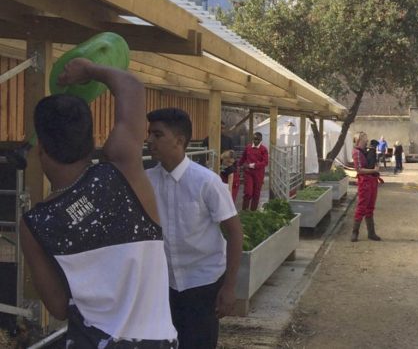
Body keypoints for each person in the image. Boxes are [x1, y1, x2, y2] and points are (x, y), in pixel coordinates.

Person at [19, 58, 178, 347]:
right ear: (92, 139)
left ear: (40, 147)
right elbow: (130, 86)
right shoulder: (123, 172)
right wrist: (90, 70)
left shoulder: (36, 223)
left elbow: (57, 306)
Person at [145, 108, 243, 349]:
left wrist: (229, 287)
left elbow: (235, 233)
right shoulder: (146, 181)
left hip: (203, 284)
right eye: (149, 134)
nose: (149, 141)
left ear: (179, 141)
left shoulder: (206, 182)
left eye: (157, 135)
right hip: (163, 285)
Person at [351, 132, 382, 242]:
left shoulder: (366, 151)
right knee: (362, 207)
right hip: (364, 182)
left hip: (372, 181)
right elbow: (359, 169)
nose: (367, 140)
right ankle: (355, 232)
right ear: (359, 140)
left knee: (370, 207)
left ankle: (371, 233)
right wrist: (374, 170)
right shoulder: (356, 152)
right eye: (365, 138)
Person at [238, 132, 269, 211]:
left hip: (258, 174)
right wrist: (237, 166)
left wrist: (254, 165)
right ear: (252, 139)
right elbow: (243, 158)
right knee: (248, 192)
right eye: (255, 139)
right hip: (248, 173)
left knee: (256, 193)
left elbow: (265, 162)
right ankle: (244, 211)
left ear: (261, 140)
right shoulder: (248, 147)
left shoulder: (264, 149)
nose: (256, 141)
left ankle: (253, 212)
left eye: (258, 139)